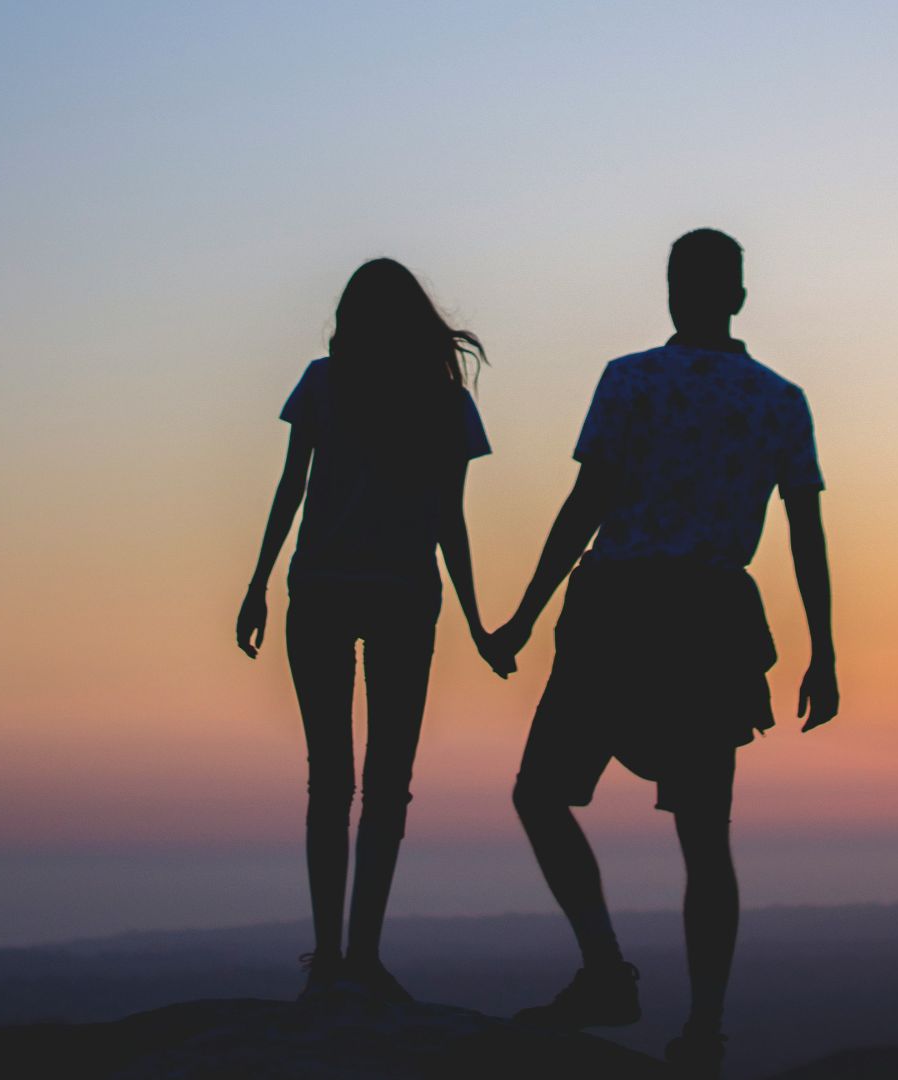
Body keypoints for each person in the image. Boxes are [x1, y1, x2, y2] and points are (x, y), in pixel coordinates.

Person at [484, 229, 839, 1078]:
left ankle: (607, 972)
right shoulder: (778, 399)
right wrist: (823, 652)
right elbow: (805, 533)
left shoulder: (631, 379)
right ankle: (703, 1032)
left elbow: (587, 504)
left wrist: (526, 616)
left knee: (541, 793)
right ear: (740, 297)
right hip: (710, 621)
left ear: (676, 293)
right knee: (705, 838)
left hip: (617, 608)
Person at [236, 258, 505, 1004]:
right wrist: (478, 622)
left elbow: (292, 488)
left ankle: (331, 957)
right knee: (387, 786)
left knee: (332, 781)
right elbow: (450, 523)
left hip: (320, 590)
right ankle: (360, 956)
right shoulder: (445, 403)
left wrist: (259, 584)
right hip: (402, 598)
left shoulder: (325, 382)